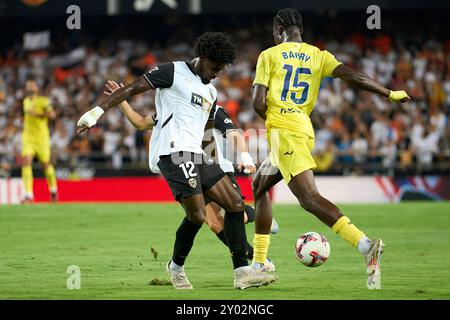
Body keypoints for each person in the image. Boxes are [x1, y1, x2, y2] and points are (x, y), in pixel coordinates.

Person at [77, 32, 276, 290]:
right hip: (173, 153)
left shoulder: (211, 91)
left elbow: (205, 131)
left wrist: (213, 165)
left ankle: (242, 272)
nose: (217, 73)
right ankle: (176, 266)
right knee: (197, 217)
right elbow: (132, 88)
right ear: (204, 58)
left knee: (235, 203)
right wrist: (96, 112)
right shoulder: (173, 72)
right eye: (215, 67)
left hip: (197, 154)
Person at [250, 8, 410, 290]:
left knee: (309, 198)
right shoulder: (319, 55)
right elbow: (353, 77)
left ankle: (365, 245)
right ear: (301, 30)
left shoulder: (269, 55)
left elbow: (258, 103)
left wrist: (278, 120)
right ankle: (259, 263)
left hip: (284, 132)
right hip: (303, 128)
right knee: (259, 184)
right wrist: (389, 93)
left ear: (278, 30)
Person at [103, 79, 276, 272]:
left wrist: (244, 155)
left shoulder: (213, 109)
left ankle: (259, 217)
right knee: (213, 222)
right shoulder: (173, 112)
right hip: (187, 166)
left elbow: (233, 134)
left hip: (217, 169)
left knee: (237, 214)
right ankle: (256, 259)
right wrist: (121, 100)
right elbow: (140, 122)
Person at [21, 77, 58, 203]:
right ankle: (28, 195)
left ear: (36, 88)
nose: (29, 88)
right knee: (26, 162)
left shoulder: (44, 101)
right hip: (28, 137)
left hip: (42, 138)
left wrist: (38, 114)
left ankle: (53, 190)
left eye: (32, 85)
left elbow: (52, 115)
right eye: (28, 86)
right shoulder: (25, 101)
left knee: (46, 165)